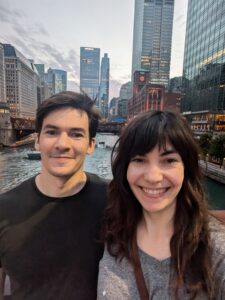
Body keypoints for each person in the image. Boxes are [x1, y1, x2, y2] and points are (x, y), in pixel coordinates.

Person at [97, 111, 225, 299]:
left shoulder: (217, 252)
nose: (153, 177)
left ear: (186, 169)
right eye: (139, 160)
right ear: (125, 169)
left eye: (169, 161)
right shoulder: (114, 232)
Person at [0, 91, 108, 300]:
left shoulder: (116, 202)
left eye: (76, 134)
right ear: (37, 140)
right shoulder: (3, 209)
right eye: (52, 132)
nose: (62, 144)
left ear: (91, 145)